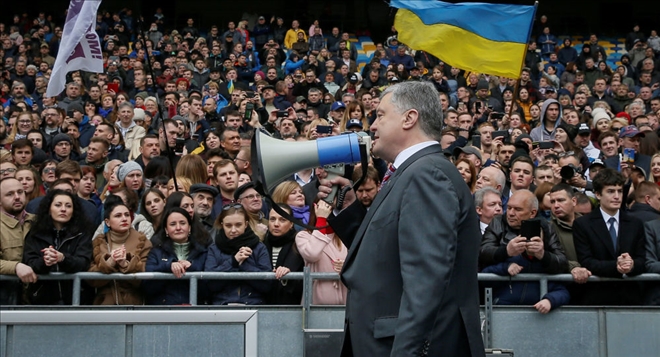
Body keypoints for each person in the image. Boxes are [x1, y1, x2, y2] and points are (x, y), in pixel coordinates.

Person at [318, 81, 484, 356]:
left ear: (410, 118)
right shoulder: (414, 173)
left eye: (381, 115)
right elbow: (385, 251)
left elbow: (425, 282)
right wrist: (349, 209)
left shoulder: (426, 175)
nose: (372, 126)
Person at [573, 169, 647, 305]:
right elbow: (586, 261)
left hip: (630, 297)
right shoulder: (583, 224)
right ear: (598, 194)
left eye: (619, 191)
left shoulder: (635, 224)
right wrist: (616, 266)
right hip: (597, 296)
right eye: (611, 191)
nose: (617, 196)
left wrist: (631, 265)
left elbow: (642, 259)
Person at [22, 190, 93, 304]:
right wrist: (45, 261)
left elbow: (84, 262)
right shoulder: (35, 233)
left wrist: (62, 258)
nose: (63, 209)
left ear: (73, 211)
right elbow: (29, 262)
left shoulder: (82, 233)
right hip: (42, 298)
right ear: (49, 209)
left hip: (77, 297)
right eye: (58, 205)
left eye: (68, 206)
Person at [88, 196, 152, 305]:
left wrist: (125, 264)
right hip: (105, 302)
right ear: (107, 222)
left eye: (127, 215)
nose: (124, 218)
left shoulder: (143, 241)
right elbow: (90, 277)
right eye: (118, 216)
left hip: (134, 302)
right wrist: (109, 263)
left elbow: (147, 272)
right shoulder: (99, 242)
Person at [205, 204, 272, 305]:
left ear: (246, 224)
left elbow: (267, 284)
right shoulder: (214, 248)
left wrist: (244, 264)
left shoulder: (259, 247)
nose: (233, 230)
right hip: (222, 306)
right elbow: (209, 284)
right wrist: (233, 261)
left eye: (238, 225)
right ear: (222, 224)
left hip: (254, 305)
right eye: (228, 225)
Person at [144, 207, 212, 305]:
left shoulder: (203, 252)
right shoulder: (156, 252)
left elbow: (210, 288)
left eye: (182, 223)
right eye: (173, 224)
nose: (178, 228)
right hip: (164, 312)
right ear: (166, 230)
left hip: (196, 312)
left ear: (189, 227)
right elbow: (148, 287)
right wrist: (168, 267)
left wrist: (192, 268)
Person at [295, 199, 348, 305]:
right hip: (316, 305)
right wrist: (321, 219)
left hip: (345, 304)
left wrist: (345, 266)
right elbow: (312, 254)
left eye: (330, 208)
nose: (326, 210)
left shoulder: (345, 236)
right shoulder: (304, 236)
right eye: (322, 207)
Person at [0, 177, 37, 304]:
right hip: (5, 297)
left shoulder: (37, 221)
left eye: (20, 192)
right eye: (9, 194)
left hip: (35, 296)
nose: (16, 197)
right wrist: (15, 266)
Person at [264, 204, 305, 304]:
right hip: (264, 304)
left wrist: (288, 276)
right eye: (272, 219)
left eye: (282, 220)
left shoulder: (299, 245)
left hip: (291, 305)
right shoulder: (262, 244)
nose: (276, 224)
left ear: (291, 224)